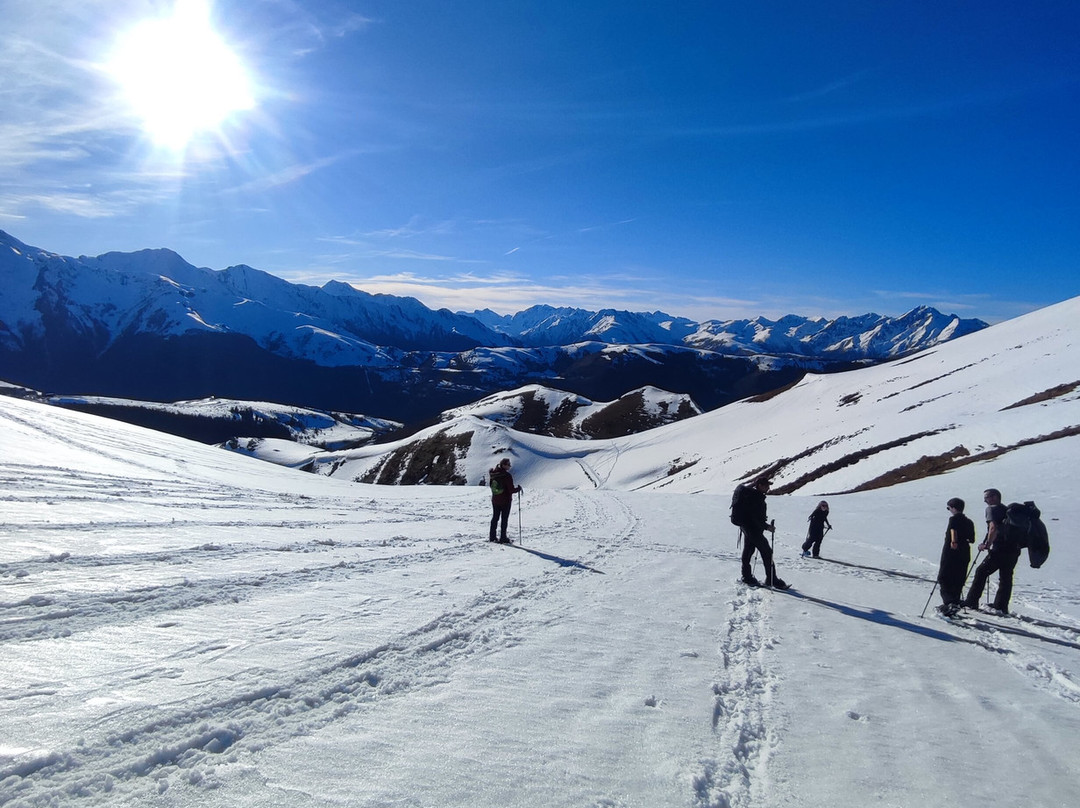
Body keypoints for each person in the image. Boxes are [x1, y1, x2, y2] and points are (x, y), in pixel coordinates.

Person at [962, 488, 1019, 613]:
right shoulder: (1006, 510)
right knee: (1006, 577)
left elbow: (993, 528)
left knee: (981, 572)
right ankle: (1001, 606)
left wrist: (987, 544)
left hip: (1000, 549)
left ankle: (971, 601)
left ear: (995, 497)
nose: (985, 500)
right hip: (1014, 549)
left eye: (987, 497)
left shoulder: (992, 509)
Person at [733, 477, 789, 590]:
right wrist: (767, 526)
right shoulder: (755, 497)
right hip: (752, 529)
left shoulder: (752, 496)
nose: (768, 488)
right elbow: (754, 517)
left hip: (747, 527)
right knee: (767, 552)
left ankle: (747, 576)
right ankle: (771, 579)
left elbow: (753, 516)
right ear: (759, 485)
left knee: (748, 551)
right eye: (766, 485)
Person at [937, 497, 975, 615]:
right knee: (958, 577)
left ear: (953, 508)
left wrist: (954, 542)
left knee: (944, 577)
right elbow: (972, 539)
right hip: (964, 552)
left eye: (949, 508)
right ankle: (955, 601)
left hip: (951, 552)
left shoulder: (954, 519)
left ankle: (949, 603)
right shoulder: (969, 522)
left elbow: (953, 530)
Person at [488, 458, 522, 543]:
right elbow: (511, 490)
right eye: (508, 464)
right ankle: (503, 537)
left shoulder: (493, 474)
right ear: (504, 465)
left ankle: (492, 536)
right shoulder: (507, 476)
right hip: (505, 500)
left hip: (495, 499)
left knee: (495, 517)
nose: (509, 466)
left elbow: (491, 485)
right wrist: (518, 489)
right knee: (504, 519)